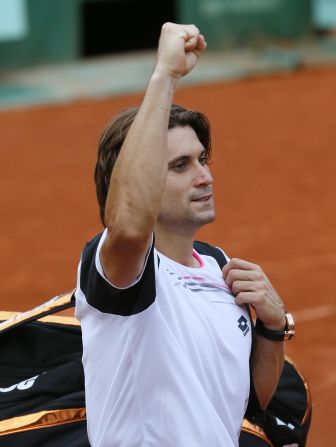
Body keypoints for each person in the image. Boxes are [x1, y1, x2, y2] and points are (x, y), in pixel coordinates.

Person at [75, 23, 293, 447]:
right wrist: (165, 76)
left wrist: (272, 326)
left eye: (202, 160)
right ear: (137, 182)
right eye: (180, 166)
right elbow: (130, 224)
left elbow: (245, 401)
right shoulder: (122, 271)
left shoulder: (218, 264)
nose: (205, 177)